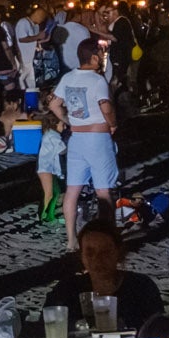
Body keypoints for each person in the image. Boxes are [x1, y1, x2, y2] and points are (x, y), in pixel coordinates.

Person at [51, 36, 120, 239]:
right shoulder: (98, 81)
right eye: (100, 54)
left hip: (77, 138)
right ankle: (107, 233)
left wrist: (69, 120)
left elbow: (54, 104)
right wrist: (113, 123)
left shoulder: (68, 78)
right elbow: (105, 106)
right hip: (98, 138)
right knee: (103, 191)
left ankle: (71, 238)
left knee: (73, 190)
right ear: (94, 58)